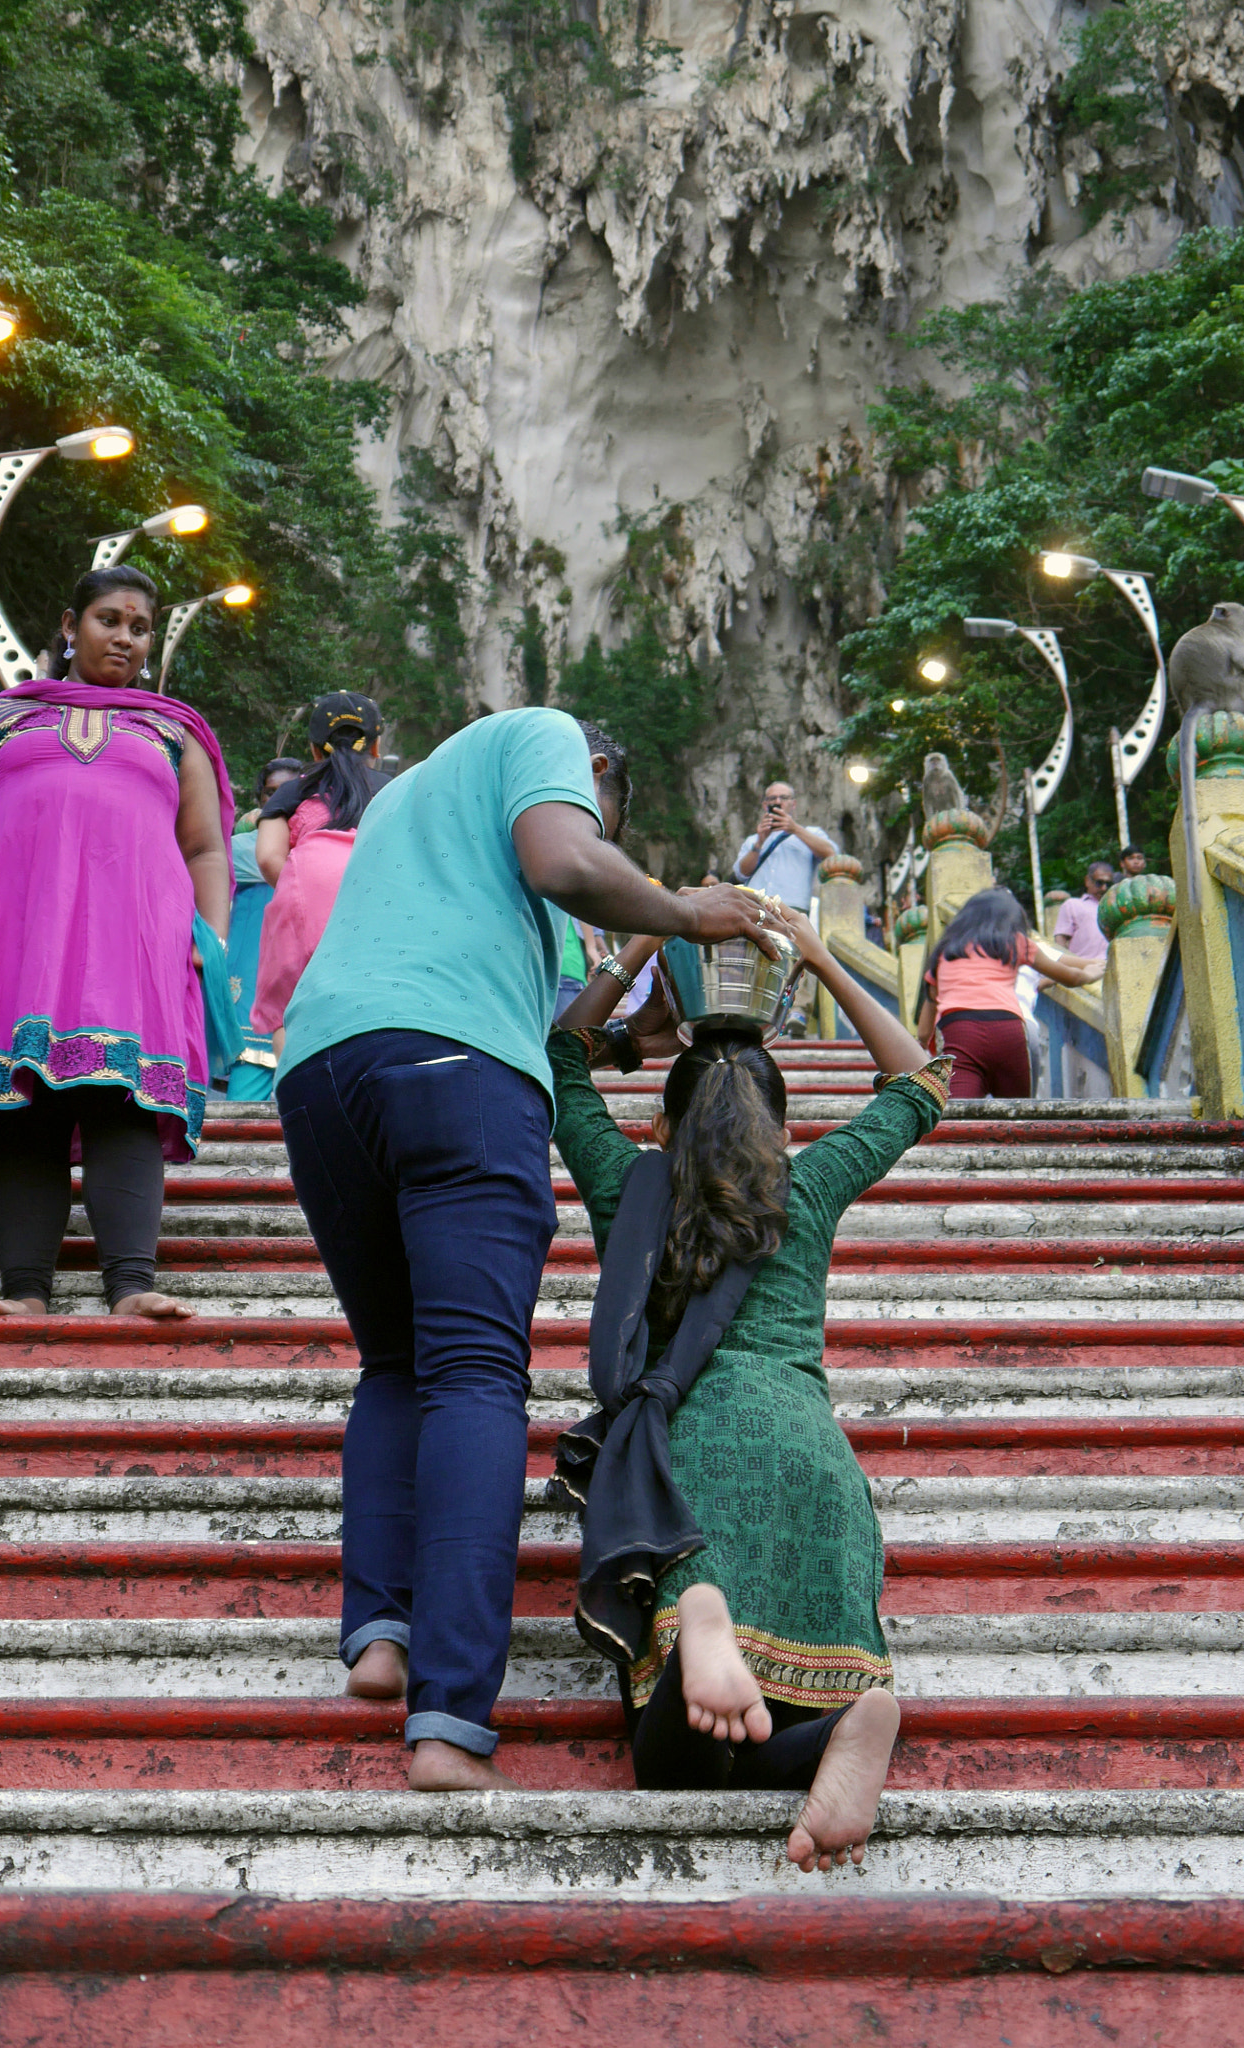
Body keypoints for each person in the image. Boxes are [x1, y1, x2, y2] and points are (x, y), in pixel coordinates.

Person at [274, 707, 776, 1792]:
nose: (590, 819)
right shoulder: (544, 733)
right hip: (458, 1073)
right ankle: (449, 1716)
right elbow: (566, 859)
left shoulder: (407, 800)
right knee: (472, 1376)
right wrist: (685, 909)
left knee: (394, 1364)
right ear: (592, 771)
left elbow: (565, 1012)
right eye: (602, 808)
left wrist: (639, 1014)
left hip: (321, 1069)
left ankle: (379, 1635)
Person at [547, 910, 952, 1871]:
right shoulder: (804, 1189)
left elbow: (559, 1062)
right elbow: (923, 1082)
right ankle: (846, 1728)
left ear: (660, 1126)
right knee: (772, 1717)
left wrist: (643, 943)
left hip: (686, 1463)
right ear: (784, 1126)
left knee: (675, 1760)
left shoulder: (628, 1181)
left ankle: (700, 1620)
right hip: (807, 1457)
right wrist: (818, 957)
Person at [0, 565, 233, 1317]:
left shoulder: (173, 729)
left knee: (123, 1095)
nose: (124, 637)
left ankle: (132, 1288)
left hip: (135, 939)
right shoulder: (3, 717)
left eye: (139, 627)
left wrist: (209, 939)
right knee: (31, 1102)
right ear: (69, 623)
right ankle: (24, 1294)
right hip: (15, 935)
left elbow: (208, 851)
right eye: (109, 620)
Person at [250, 694, 391, 1055]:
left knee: (292, 1008)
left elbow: (268, 858)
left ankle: (294, 1102)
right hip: (376, 903)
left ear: (314, 750)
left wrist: (303, 889)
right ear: (376, 744)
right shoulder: (396, 789)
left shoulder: (291, 791)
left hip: (306, 899)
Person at [915, 887, 1102, 1098]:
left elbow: (923, 1031)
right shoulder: (1015, 942)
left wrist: (922, 1046)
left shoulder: (945, 951)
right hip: (1007, 1029)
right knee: (1015, 1116)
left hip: (959, 1032)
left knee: (962, 1116)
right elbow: (1071, 977)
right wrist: (1092, 973)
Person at [225, 759, 302, 1102]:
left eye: (287, 791)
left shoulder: (314, 844)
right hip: (250, 975)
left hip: (299, 975)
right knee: (245, 1091)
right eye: (271, 792)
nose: (278, 799)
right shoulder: (241, 850)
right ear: (259, 797)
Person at [733, 783, 837, 1036]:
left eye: (783, 798)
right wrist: (760, 841)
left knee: (801, 959)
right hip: (756, 908)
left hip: (792, 909)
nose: (777, 801)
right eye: (772, 798)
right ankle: (756, 1015)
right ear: (764, 804)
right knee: (757, 960)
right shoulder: (752, 839)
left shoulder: (809, 833)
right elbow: (741, 872)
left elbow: (831, 853)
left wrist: (794, 829)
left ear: (793, 803)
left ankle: (798, 1013)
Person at [1053, 861, 1115, 962]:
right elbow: (1060, 939)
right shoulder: (1073, 905)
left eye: (1108, 884)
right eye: (1099, 883)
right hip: (1083, 967)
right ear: (1087, 881)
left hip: (1111, 965)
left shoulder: (1114, 907)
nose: (1104, 888)